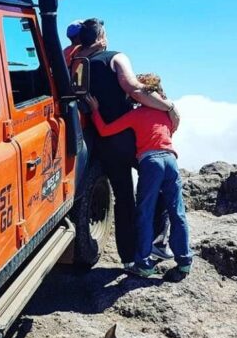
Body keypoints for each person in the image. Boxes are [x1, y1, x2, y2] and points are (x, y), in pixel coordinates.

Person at [75, 18, 180, 270]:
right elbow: (133, 88)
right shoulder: (115, 57)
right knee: (159, 185)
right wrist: (169, 107)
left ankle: (129, 258)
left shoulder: (77, 65)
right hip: (129, 137)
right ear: (102, 36)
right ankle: (157, 241)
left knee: (123, 198)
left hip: (103, 140)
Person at [85, 74, 192, 281]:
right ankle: (184, 262)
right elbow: (170, 131)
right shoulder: (167, 114)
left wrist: (96, 110)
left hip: (151, 162)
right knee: (177, 212)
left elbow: (105, 131)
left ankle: (143, 263)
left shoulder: (136, 114)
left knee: (144, 212)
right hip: (171, 160)